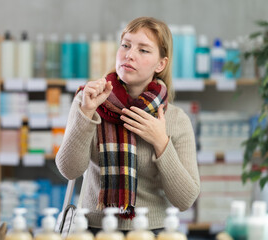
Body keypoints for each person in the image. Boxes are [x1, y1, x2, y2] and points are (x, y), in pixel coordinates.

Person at [56, 16, 200, 234]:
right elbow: (69, 170)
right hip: (92, 230)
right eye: (125, 45)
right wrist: (85, 113)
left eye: (143, 50)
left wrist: (161, 142)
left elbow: (185, 199)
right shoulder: (89, 100)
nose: (129, 54)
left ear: (161, 64)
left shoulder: (176, 119)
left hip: (152, 232)